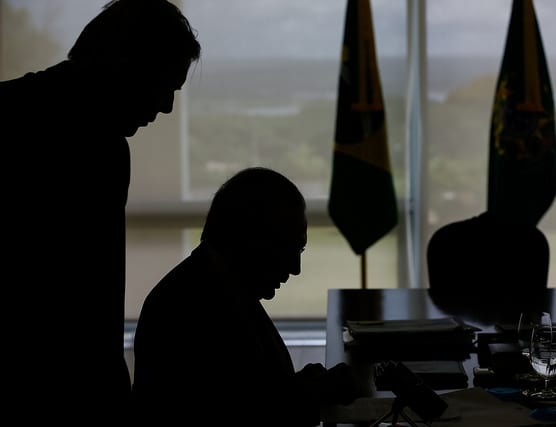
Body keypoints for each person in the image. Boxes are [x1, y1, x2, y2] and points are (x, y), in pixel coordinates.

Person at [0, 0, 200, 423]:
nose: (165, 107)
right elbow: (91, 297)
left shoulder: (21, 114)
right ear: (125, 62)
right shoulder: (104, 152)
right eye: (163, 84)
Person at [132, 167, 359, 426]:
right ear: (251, 238)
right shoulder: (192, 310)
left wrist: (302, 384)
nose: (296, 268)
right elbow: (241, 418)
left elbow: (247, 392)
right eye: (288, 248)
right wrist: (312, 392)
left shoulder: (216, 286)